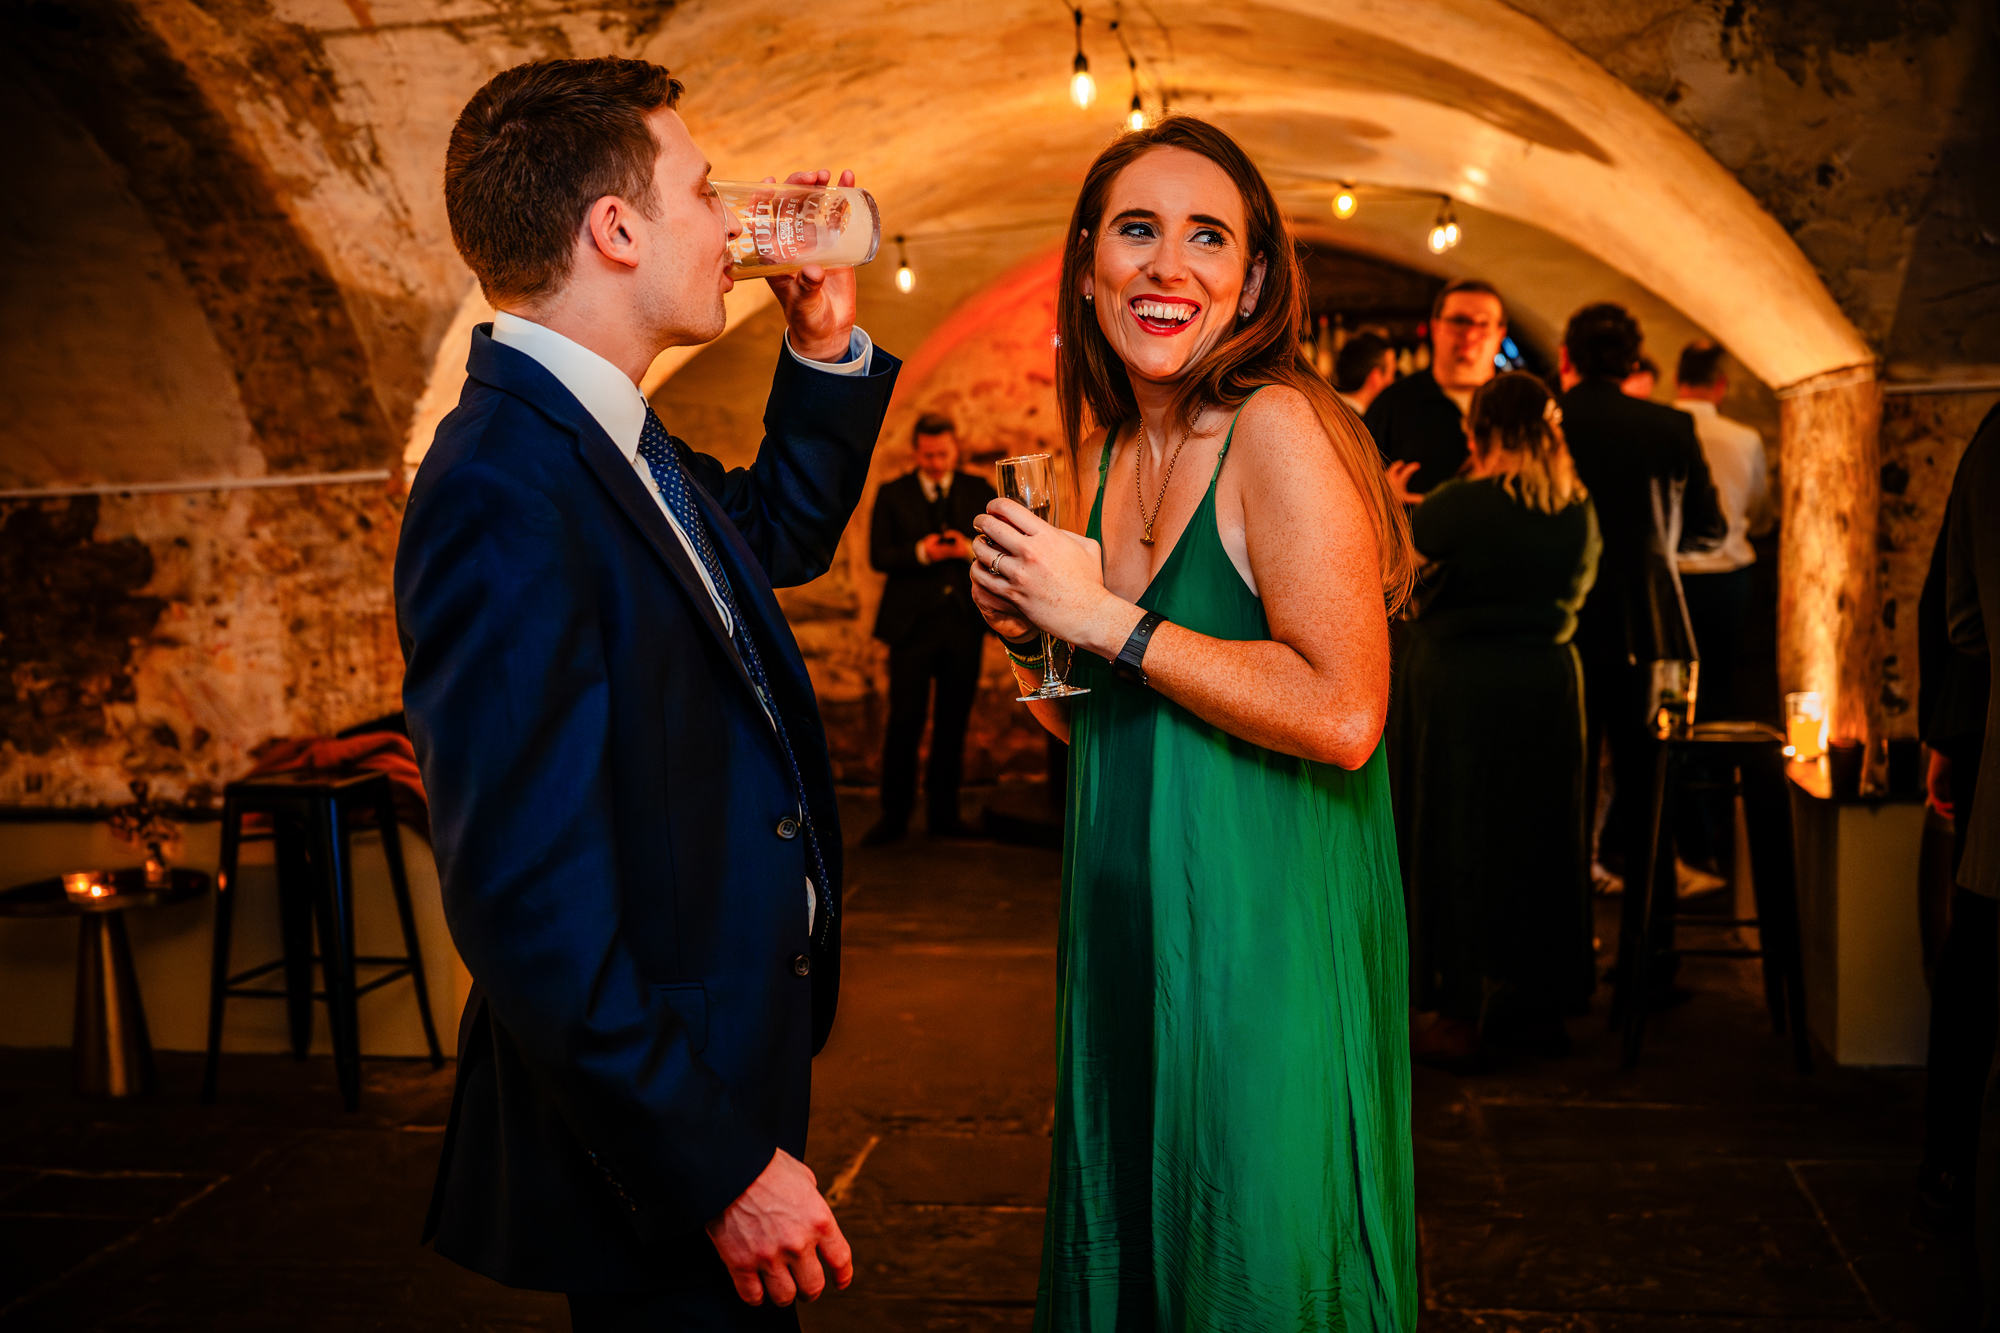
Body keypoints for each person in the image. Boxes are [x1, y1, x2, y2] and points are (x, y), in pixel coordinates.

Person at [395, 58, 899, 1331]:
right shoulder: (501, 483)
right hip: (658, 1118)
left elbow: (769, 536)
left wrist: (821, 347)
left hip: (716, 1050)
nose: (732, 223)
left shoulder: (609, 433)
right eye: (705, 191)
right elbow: (522, 896)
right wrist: (714, 1165)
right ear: (616, 230)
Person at [966, 116, 1418, 1330]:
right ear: (1088, 266)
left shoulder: (1280, 428)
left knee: (1252, 1248)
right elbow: (1106, 734)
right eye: (1136, 230)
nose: (1168, 264)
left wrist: (1104, 620)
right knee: (1135, 1246)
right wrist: (1028, 639)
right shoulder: (1100, 453)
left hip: (1259, 936)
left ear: (1252, 282)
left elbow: (1344, 712)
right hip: (1126, 929)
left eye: (1206, 236)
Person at [1391, 373, 1600, 1067]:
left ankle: (1461, 1006)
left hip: (1462, 688)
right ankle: (1535, 1003)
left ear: (1478, 431)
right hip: (1547, 685)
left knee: (1460, 834)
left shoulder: (1460, 503)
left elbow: (1393, 576)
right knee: (1540, 838)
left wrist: (1389, 506)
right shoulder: (1575, 507)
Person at [1558, 303, 1724, 977]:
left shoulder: (1553, 423)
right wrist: (1657, 546)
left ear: (1566, 357)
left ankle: (1565, 956)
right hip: (1652, 630)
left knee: (1564, 798)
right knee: (1649, 796)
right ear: (1633, 360)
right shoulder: (1670, 426)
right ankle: (1649, 960)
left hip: (1564, 630)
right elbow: (1710, 529)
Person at [864, 414, 997, 843]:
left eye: (942, 454)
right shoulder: (892, 493)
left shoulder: (979, 490)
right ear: (916, 452)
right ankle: (894, 815)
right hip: (911, 627)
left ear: (955, 449)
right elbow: (879, 555)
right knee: (905, 719)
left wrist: (967, 550)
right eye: (928, 455)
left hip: (963, 624)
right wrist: (921, 552)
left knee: (953, 720)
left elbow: (1000, 548)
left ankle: (945, 813)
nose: (936, 462)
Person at [1917, 471, 1993, 1226]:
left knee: (1977, 933)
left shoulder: (1989, 449)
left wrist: (1945, 728)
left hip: (1982, 720)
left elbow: (1960, 619)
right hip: (1981, 727)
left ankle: (1953, 1153)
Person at [1672, 341, 1768, 719]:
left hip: (1673, 574)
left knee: (1671, 677)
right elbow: (1759, 510)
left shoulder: (1660, 430)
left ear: (1677, 379)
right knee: (1720, 677)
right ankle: (1715, 748)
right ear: (1721, 385)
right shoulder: (1745, 438)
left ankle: (1673, 751)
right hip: (1728, 575)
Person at [1368, 278, 1507, 502]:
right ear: (1435, 327)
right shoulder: (1391, 406)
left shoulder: (1521, 403)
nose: (1471, 334)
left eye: (1483, 324)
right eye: (1459, 321)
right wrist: (1383, 500)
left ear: (1500, 333)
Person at [1335, 330, 1396, 416]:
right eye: (1392, 373)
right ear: (1375, 377)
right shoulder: (1356, 421)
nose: (1392, 382)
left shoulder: (1328, 408)